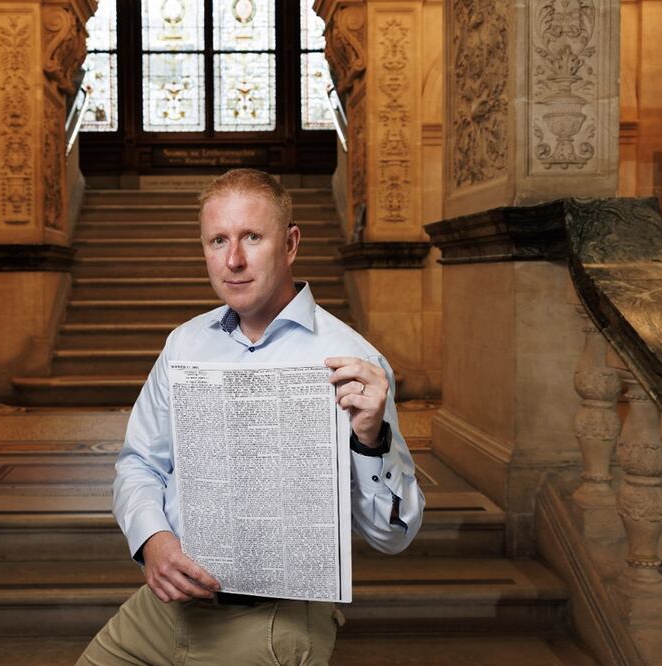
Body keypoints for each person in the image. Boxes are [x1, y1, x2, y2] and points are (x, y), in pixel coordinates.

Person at [78, 169, 424, 665]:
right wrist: (152, 539)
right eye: (218, 240)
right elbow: (139, 464)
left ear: (290, 243)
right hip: (165, 607)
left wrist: (371, 440)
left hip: (271, 621)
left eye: (252, 238)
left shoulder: (351, 359)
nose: (233, 260)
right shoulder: (184, 344)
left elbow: (393, 536)